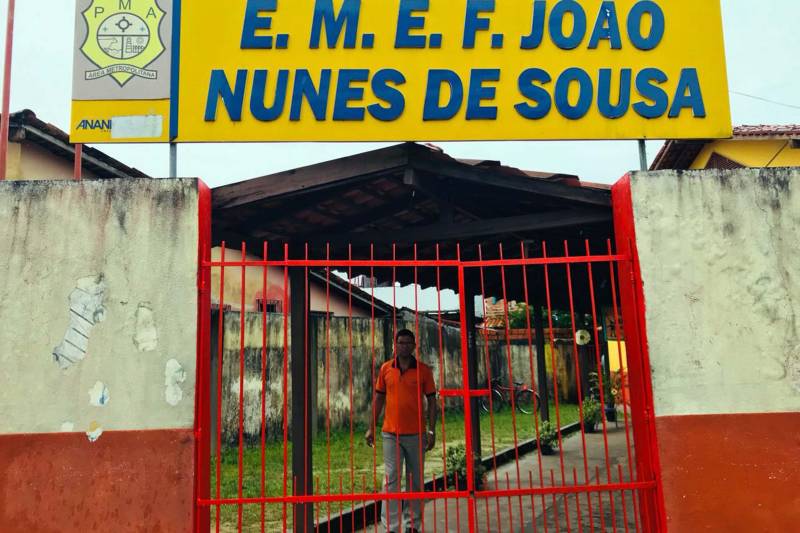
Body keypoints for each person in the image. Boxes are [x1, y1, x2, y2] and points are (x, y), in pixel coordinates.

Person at [365, 329, 437, 533]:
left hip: (416, 434)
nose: (404, 346)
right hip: (390, 433)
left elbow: (432, 401)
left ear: (414, 346)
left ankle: (412, 525)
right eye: (401, 342)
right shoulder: (386, 369)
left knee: (415, 481)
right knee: (391, 480)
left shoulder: (423, 370)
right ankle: (391, 527)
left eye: (408, 343)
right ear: (395, 345)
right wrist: (372, 427)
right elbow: (378, 399)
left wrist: (431, 431)